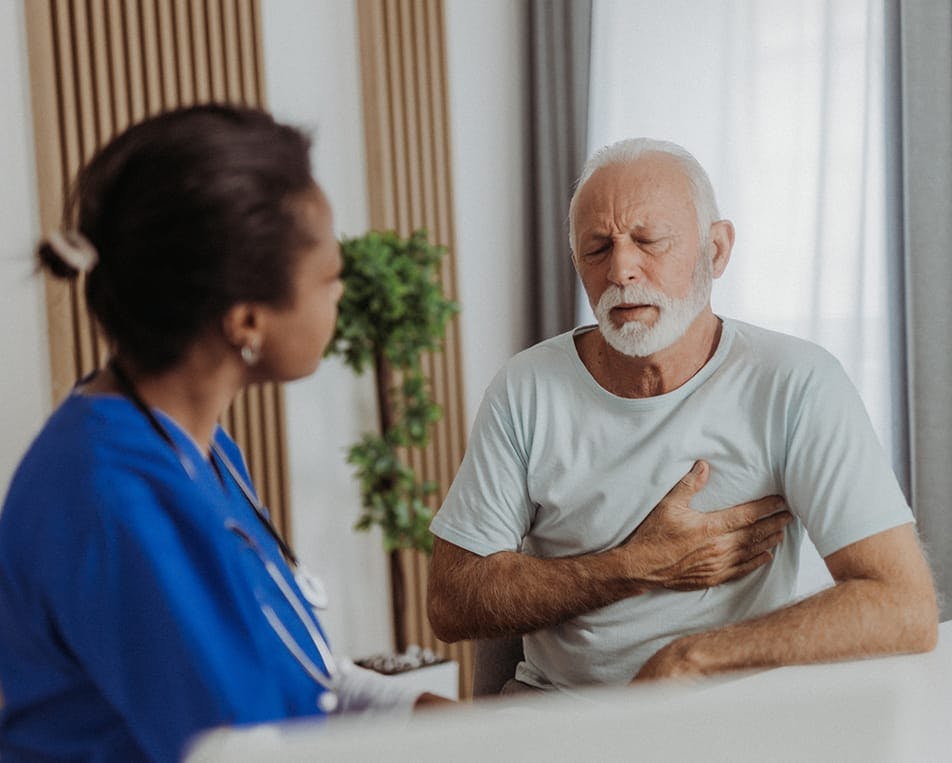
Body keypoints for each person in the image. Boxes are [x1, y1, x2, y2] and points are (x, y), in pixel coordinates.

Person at [0, 105, 441, 763]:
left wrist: (450, 723)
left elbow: (301, 681)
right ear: (247, 321)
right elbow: (246, 748)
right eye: (330, 276)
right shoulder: (118, 498)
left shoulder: (194, 446)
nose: (341, 293)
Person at [427, 138, 938, 692]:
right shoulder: (525, 387)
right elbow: (452, 603)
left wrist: (690, 659)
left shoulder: (796, 382)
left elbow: (902, 604)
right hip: (556, 712)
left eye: (649, 240)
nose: (621, 269)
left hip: (721, 717)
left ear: (715, 251)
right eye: (597, 248)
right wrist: (633, 566)